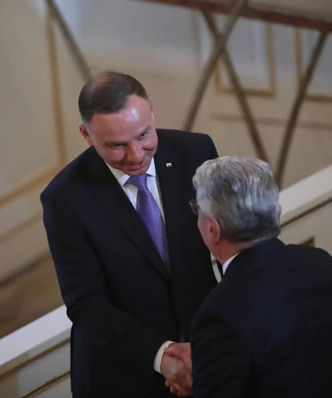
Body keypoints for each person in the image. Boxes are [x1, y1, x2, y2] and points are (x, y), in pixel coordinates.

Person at [40, 71, 219, 397]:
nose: (136, 155)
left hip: (206, 355)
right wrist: (163, 356)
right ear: (86, 134)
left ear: (151, 109)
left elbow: (229, 244)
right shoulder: (64, 199)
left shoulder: (196, 152)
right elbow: (86, 304)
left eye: (143, 135)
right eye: (117, 145)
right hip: (123, 374)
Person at [166, 156, 332, 397]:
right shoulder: (319, 263)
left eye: (198, 211)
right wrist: (209, 359)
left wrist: (203, 377)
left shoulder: (219, 312)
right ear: (277, 213)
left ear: (213, 229)